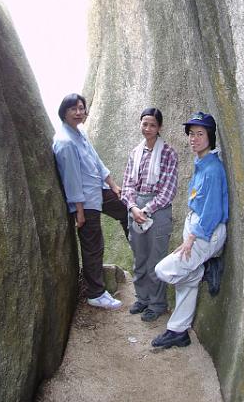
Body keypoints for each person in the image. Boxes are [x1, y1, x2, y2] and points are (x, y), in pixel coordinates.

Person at [152, 112, 229, 348]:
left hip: (206, 232)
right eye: (191, 134)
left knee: (164, 270)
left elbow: (212, 212)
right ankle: (178, 331)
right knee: (187, 282)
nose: (194, 139)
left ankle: (205, 267)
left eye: (200, 134)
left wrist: (191, 239)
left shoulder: (213, 169)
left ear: (210, 137)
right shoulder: (201, 162)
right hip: (195, 226)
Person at [53, 93, 125, 310]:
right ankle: (96, 293)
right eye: (73, 109)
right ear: (64, 112)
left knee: (128, 211)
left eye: (81, 108)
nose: (78, 112)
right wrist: (79, 211)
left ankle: (142, 260)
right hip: (85, 201)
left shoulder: (79, 133)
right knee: (93, 246)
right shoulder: (65, 142)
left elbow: (97, 160)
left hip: (99, 190)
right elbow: (72, 181)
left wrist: (113, 185)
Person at [122, 108, 178, 322]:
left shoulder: (168, 153)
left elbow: (168, 191)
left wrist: (145, 209)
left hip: (158, 211)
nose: (148, 129)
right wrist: (133, 207)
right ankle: (142, 298)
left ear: (160, 128)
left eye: (152, 125)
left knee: (156, 260)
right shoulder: (135, 153)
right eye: (144, 124)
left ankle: (157, 304)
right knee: (139, 258)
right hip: (135, 207)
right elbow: (127, 184)